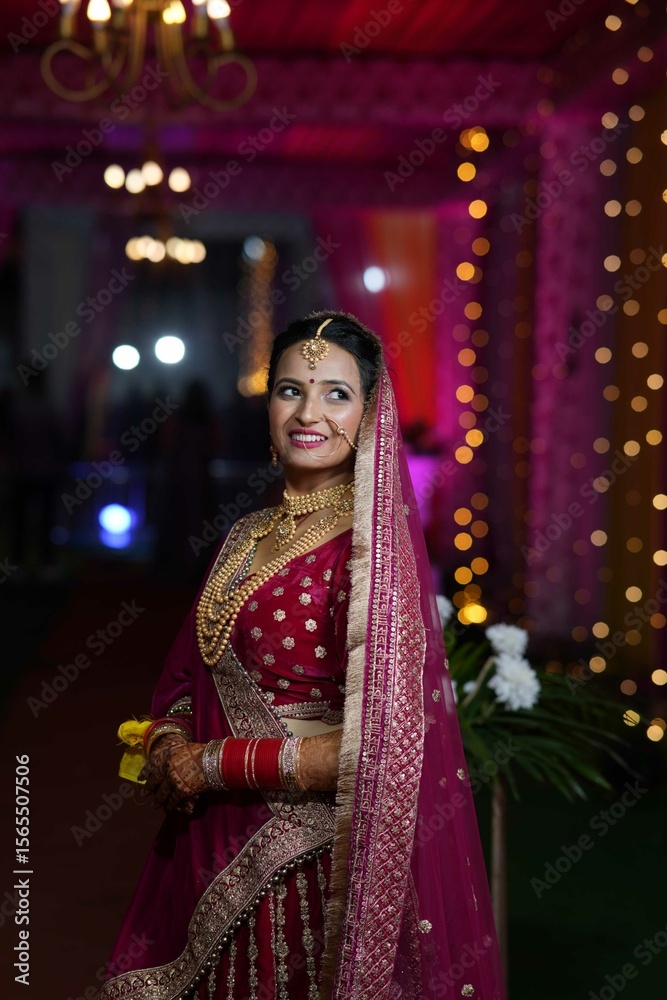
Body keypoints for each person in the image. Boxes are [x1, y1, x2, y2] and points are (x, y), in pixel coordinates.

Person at [101, 311, 505, 1000]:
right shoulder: (244, 535)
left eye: (336, 394)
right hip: (203, 847)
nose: (308, 413)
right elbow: (187, 673)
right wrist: (166, 744)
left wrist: (212, 763)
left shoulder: (371, 557)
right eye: (290, 390)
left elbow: (384, 747)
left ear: (370, 415)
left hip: (302, 869)